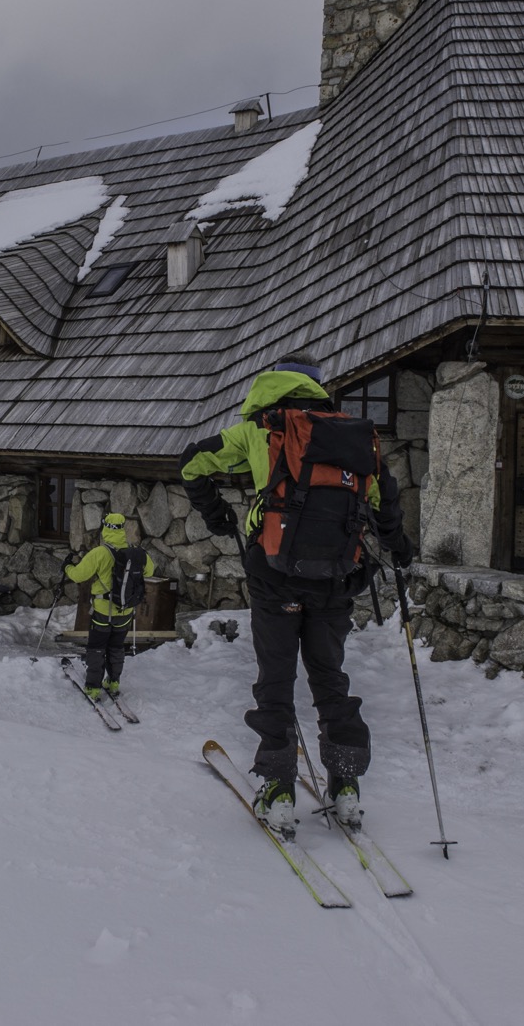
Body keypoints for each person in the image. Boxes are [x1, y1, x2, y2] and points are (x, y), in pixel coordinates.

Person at [178, 352, 412, 839]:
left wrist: (216, 514)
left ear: (272, 383)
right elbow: (384, 503)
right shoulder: (354, 438)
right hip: (336, 579)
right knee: (330, 678)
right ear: (318, 388)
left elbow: (192, 462)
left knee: (276, 679)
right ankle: (345, 784)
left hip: (275, 576)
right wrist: (400, 549)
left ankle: (279, 791)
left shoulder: (262, 430)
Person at [64, 513, 156, 701]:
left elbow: (78, 576)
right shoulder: (136, 553)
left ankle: (93, 688)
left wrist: (67, 567)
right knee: (116, 647)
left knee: (97, 647)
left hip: (103, 612)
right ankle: (113, 682)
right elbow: (151, 570)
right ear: (122, 529)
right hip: (126, 612)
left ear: (105, 528)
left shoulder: (100, 553)